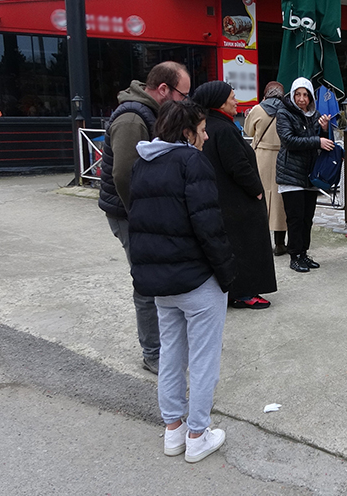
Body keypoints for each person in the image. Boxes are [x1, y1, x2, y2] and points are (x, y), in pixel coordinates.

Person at [129, 100, 234, 463]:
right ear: (187, 132)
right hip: (197, 280)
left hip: (161, 283)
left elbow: (138, 224)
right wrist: (226, 273)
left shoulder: (143, 163)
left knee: (172, 354)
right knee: (204, 359)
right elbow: (210, 225)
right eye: (201, 129)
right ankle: (197, 433)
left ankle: (173, 430)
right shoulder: (192, 162)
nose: (205, 136)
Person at [97, 61, 191, 374]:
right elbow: (124, 173)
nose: (183, 102)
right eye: (182, 95)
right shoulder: (132, 118)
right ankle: (154, 352)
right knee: (147, 282)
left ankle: (164, 345)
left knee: (156, 279)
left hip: (141, 212)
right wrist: (141, 214)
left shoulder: (150, 113)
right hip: (131, 214)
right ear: (163, 89)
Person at [193, 81, 277, 310]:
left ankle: (233, 289)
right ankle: (244, 292)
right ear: (220, 102)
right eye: (232, 97)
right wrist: (256, 190)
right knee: (246, 245)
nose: (236, 100)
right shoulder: (224, 129)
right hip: (237, 201)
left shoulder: (209, 125)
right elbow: (238, 166)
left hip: (222, 197)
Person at [276, 77, 333, 273]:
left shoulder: (314, 114)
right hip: (290, 174)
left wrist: (324, 130)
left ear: (310, 97)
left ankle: (303, 253)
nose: (301, 99)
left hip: (309, 174)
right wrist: (317, 140)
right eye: (298, 94)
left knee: (308, 217)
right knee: (295, 218)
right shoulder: (284, 113)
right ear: (292, 95)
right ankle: (294, 255)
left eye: (305, 95)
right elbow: (288, 140)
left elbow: (322, 142)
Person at [244, 81, 288, 256]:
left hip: (261, 157)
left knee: (259, 197)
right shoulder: (286, 110)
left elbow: (248, 132)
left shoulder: (258, 109)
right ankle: (280, 243)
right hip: (282, 158)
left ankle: (260, 241)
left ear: (265, 94)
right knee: (280, 201)